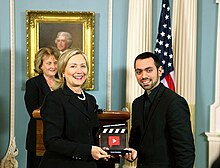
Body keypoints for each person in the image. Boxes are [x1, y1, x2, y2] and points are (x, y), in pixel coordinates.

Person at [38, 48, 110, 168]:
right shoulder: (54, 99)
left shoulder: (90, 100)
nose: (79, 71)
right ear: (63, 72)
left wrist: (119, 149)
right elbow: (52, 142)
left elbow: (91, 135)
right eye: (73, 66)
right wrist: (88, 150)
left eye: (83, 66)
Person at [123, 52, 195, 168]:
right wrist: (133, 152)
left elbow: (185, 152)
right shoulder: (137, 103)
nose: (144, 76)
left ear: (160, 71)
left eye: (149, 70)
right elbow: (136, 141)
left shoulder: (175, 102)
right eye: (139, 72)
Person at [24, 47, 60, 168]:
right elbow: (33, 111)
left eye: (55, 62)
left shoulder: (63, 82)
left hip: (60, 137)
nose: (53, 66)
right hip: (38, 135)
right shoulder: (33, 84)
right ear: (40, 65)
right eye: (49, 63)